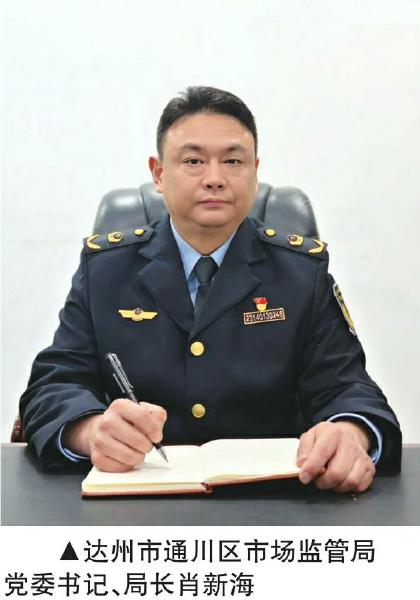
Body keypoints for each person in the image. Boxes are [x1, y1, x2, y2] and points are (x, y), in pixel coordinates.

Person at [20, 86, 401, 492]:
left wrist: (351, 433)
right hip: (137, 496)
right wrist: (91, 431)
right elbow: (54, 385)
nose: (215, 179)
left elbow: (347, 387)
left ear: (255, 170)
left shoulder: (301, 273)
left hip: (273, 499)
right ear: (158, 173)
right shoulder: (106, 270)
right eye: (194, 161)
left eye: (233, 161)